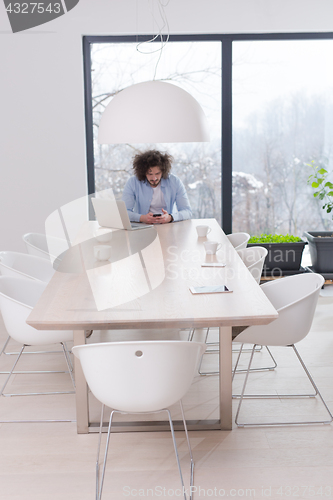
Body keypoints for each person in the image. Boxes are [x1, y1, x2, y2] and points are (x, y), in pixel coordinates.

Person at [122, 150, 192, 224]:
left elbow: (187, 212)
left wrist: (170, 217)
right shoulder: (133, 182)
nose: (154, 178)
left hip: (168, 226)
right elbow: (124, 213)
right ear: (143, 172)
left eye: (157, 173)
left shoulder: (175, 182)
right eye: (150, 174)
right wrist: (142, 218)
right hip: (143, 227)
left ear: (163, 171)